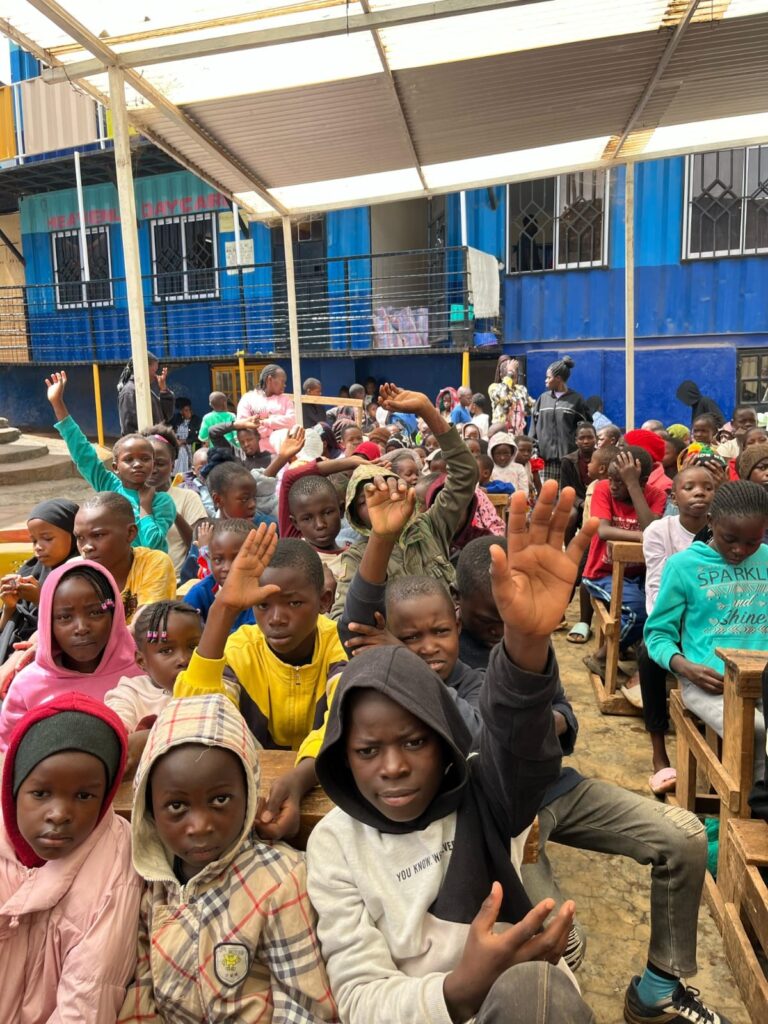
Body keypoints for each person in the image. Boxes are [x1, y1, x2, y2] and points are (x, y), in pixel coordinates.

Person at [306, 482, 596, 1024]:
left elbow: (515, 741)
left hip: (518, 1004)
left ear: (445, 743)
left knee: (537, 992)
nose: (394, 767)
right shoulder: (336, 844)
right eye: (367, 750)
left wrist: (525, 641)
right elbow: (360, 997)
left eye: (415, 742)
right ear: (343, 757)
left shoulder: (483, 795)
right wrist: (460, 990)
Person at [117, 693, 337, 1023]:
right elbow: (141, 990)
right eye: (177, 806)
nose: (200, 826)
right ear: (150, 811)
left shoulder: (279, 881)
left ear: (248, 793)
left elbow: (305, 1005)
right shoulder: (155, 883)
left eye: (220, 800)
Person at [173, 526, 344, 840]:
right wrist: (224, 607)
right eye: (263, 605)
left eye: (294, 603)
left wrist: (301, 778)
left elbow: (343, 723)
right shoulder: (241, 649)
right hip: (252, 798)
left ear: (324, 600)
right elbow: (195, 715)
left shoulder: (338, 644)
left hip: (328, 794)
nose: (276, 618)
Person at [0, 692, 142, 1022]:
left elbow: (88, 995)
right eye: (41, 793)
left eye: (84, 796)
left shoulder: (114, 865)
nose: (59, 814)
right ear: (14, 788)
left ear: (105, 796)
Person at [646, 480, 768, 783]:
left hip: (762, 680)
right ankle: (748, 807)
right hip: (709, 684)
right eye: (730, 539)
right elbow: (658, 634)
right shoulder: (683, 566)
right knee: (755, 729)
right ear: (711, 522)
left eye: (752, 542)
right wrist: (684, 667)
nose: (740, 550)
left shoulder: (766, 559)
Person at [331, 385, 478, 620]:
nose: (379, 501)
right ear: (355, 515)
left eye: (385, 488)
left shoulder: (430, 527)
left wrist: (427, 411)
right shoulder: (357, 557)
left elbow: (465, 474)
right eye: (365, 500)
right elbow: (343, 622)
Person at [0, 561, 143, 750]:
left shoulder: (144, 672)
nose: (81, 628)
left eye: (96, 612)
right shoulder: (27, 685)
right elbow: (8, 754)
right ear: (48, 623)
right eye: (65, 617)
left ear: (115, 615)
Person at [637, 467, 717, 795]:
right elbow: (656, 591)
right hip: (671, 621)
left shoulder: (722, 530)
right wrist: (677, 630)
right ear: (673, 496)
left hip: (709, 623)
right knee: (648, 653)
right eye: (690, 487)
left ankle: (719, 754)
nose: (699, 493)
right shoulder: (660, 531)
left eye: (708, 487)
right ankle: (659, 751)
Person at [46, 370, 175, 553]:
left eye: (145, 459)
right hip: (113, 566)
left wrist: (145, 508)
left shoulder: (161, 502)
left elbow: (152, 545)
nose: (138, 464)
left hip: (149, 569)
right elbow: (83, 453)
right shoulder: (109, 485)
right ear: (115, 467)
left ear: (153, 464)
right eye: (129, 459)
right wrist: (58, 404)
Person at [580, 447, 666, 681]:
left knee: (660, 608)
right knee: (640, 612)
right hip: (601, 573)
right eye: (611, 478)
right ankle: (602, 656)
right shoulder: (602, 489)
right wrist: (642, 537)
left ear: (643, 481)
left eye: (621, 481)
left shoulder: (656, 495)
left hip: (639, 576)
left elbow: (651, 528)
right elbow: (603, 530)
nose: (613, 485)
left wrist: (633, 485)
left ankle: (634, 654)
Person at [105, 600, 203, 774]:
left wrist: (151, 738)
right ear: (141, 661)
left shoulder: (215, 688)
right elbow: (114, 737)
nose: (184, 659)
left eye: (193, 647)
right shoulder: (129, 694)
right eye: (166, 650)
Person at [73, 493, 176, 623]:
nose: (86, 547)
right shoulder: (74, 573)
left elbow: (144, 625)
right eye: (80, 538)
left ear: (130, 533)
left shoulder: (153, 563)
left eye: (98, 535)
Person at [0, 498, 78, 657]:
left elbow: (75, 628)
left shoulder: (79, 576)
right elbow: (4, 630)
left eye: (47, 538)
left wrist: (40, 599)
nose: (38, 547)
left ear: (74, 535)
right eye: (34, 540)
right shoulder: (31, 570)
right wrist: (9, 607)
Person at [142, 426, 208, 576]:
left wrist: (173, 513)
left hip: (176, 581)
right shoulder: (127, 499)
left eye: (160, 463)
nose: (153, 469)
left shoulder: (188, 497)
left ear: (172, 465)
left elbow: (199, 544)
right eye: (147, 461)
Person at [184, 519, 256, 629]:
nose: (226, 568)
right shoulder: (201, 592)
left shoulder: (263, 596)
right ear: (210, 559)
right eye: (218, 560)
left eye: (237, 559)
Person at [530, 357, 592, 483]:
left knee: (568, 493)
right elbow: (534, 427)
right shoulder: (543, 399)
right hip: (545, 461)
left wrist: (577, 451)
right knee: (547, 494)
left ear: (558, 378)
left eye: (548, 377)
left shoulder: (576, 399)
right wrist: (534, 449)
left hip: (568, 461)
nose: (545, 380)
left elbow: (585, 427)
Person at [236, 363, 295, 454]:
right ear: (269, 379)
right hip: (257, 455)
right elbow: (244, 425)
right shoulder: (248, 399)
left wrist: (264, 422)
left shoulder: (286, 400)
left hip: (282, 455)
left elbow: (291, 422)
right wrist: (275, 429)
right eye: (282, 381)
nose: (284, 385)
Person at [117, 353, 174, 436]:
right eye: (154, 371)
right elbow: (129, 429)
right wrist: (146, 442)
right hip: (143, 443)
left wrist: (164, 390)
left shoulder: (146, 392)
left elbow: (166, 416)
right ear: (144, 368)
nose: (155, 375)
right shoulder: (129, 392)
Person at [488, 356, 532, 434]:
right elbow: (502, 396)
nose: (513, 375)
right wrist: (510, 373)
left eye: (515, 373)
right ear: (501, 375)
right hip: (501, 434)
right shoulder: (494, 388)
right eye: (509, 374)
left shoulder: (521, 389)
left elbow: (529, 410)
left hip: (518, 434)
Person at [623, 428, 673, 496]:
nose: (618, 451)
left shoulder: (664, 487)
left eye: (623, 447)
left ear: (641, 454)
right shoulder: (619, 476)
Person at [169, 397, 201, 475]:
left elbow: (198, 437)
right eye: (184, 410)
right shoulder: (177, 419)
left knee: (182, 451)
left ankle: (182, 474)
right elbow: (170, 430)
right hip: (176, 443)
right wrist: (175, 440)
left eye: (188, 410)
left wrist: (185, 441)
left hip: (188, 445)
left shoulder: (196, 421)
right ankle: (174, 474)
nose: (188, 412)